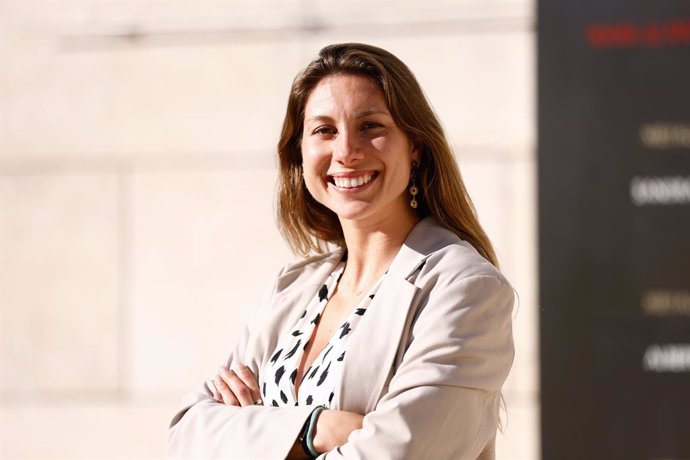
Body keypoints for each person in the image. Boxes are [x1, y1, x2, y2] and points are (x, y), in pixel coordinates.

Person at [167, 42, 514, 460]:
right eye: (324, 130)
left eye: (371, 126)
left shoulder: (464, 287)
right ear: (300, 151)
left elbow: (399, 454)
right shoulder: (294, 288)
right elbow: (188, 436)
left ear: (416, 145)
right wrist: (317, 429)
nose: (346, 151)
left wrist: (253, 433)